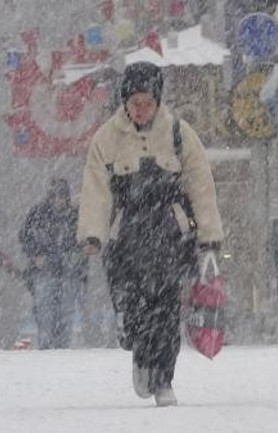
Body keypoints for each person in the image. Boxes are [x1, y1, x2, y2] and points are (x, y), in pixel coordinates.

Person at [77, 61, 224, 407]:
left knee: (166, 310)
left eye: (147, 103)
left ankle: (163, 380)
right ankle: (139, 352)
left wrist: (209, 236)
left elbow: (201, 185)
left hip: (169, 235)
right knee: (133, 305)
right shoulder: (107, 138)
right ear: (124, 102)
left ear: (158, 101)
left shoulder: (179, 135)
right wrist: (92, 234)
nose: (141, 110)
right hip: (125, 236)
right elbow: (96, 189)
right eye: (135, 103)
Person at [19, 178, 87, 350]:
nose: (59, 200)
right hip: (44, 272)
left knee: (66, 314)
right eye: (56, 196)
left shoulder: (75, 216)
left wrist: (77, 263)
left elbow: (83, 244)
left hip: (69, 273)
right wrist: (35, 257)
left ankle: (62, 350)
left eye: (62, 196)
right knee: (45, 314)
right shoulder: (37, 214)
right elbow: (24, 238)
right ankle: (47, 349)